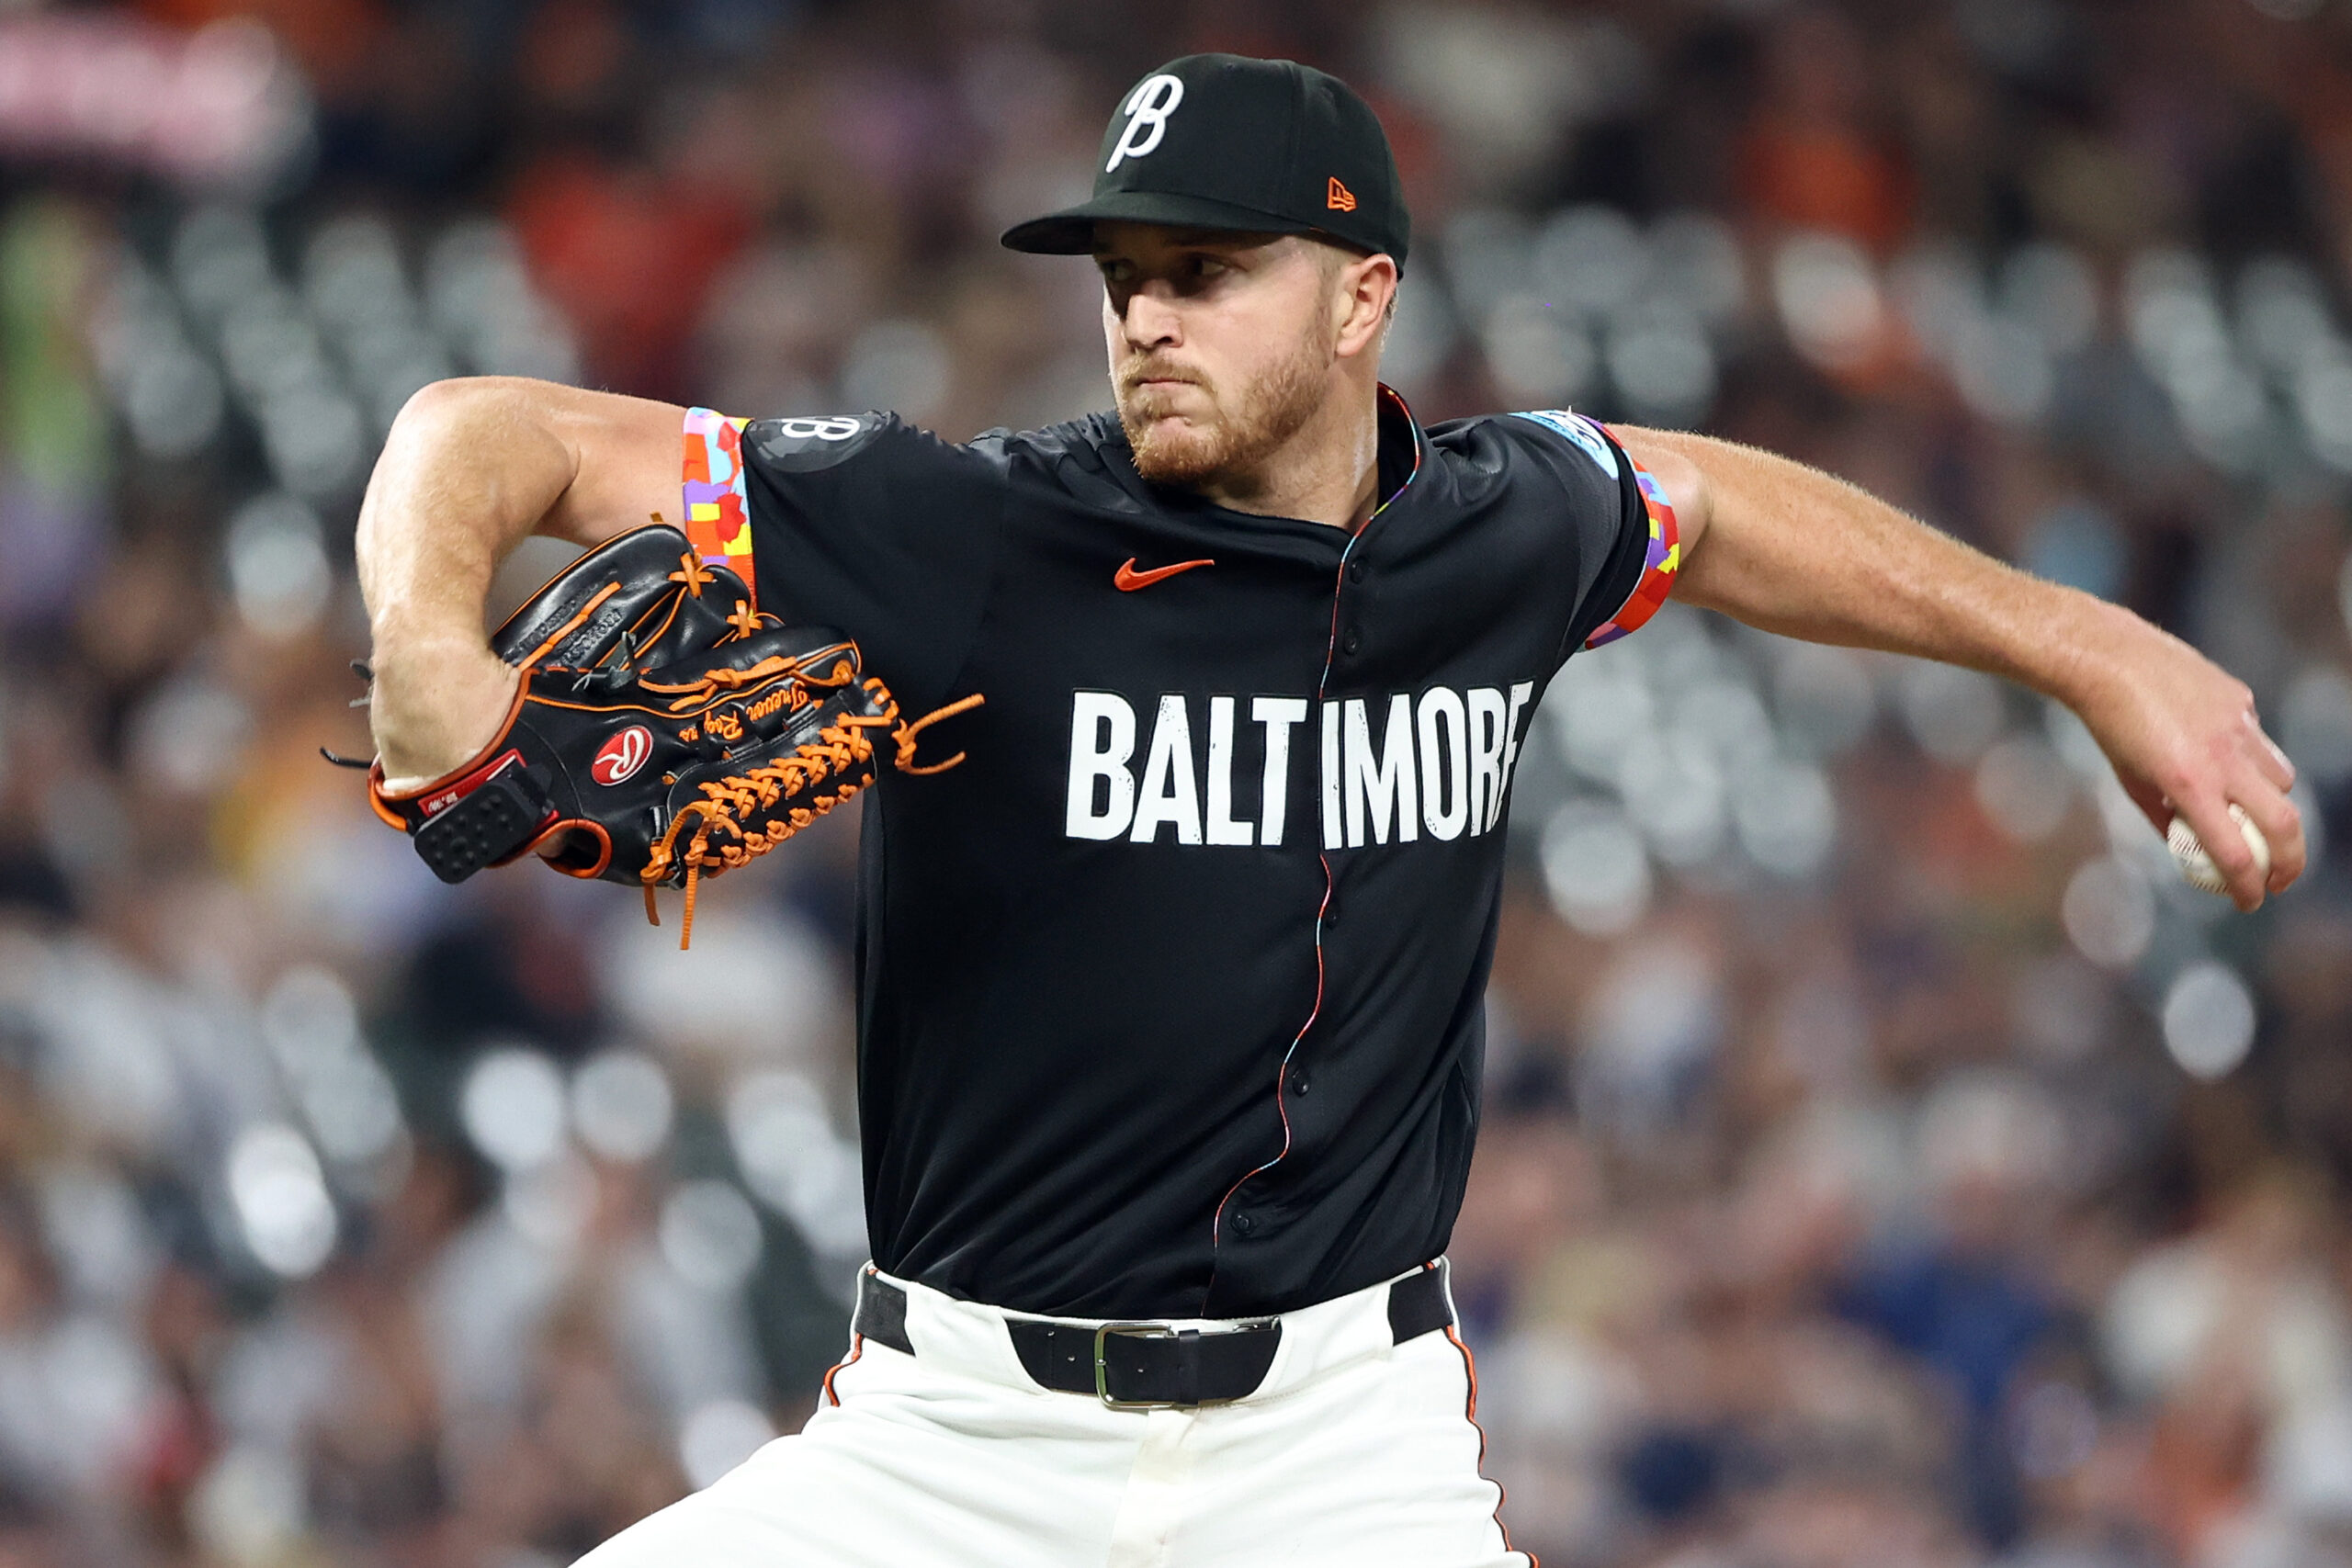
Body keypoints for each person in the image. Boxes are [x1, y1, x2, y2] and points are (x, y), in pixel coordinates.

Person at [354, 52, 2303, 1568]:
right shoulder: (970, 535)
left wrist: (2085, 646)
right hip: (949, 1450)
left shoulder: (1494, 529)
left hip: (1335, 1452)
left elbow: (1703, 507)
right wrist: (428, 639)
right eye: (1126, 278)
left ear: (1363, 293)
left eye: (1203, 272)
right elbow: (485, 432)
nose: (1144, 321)